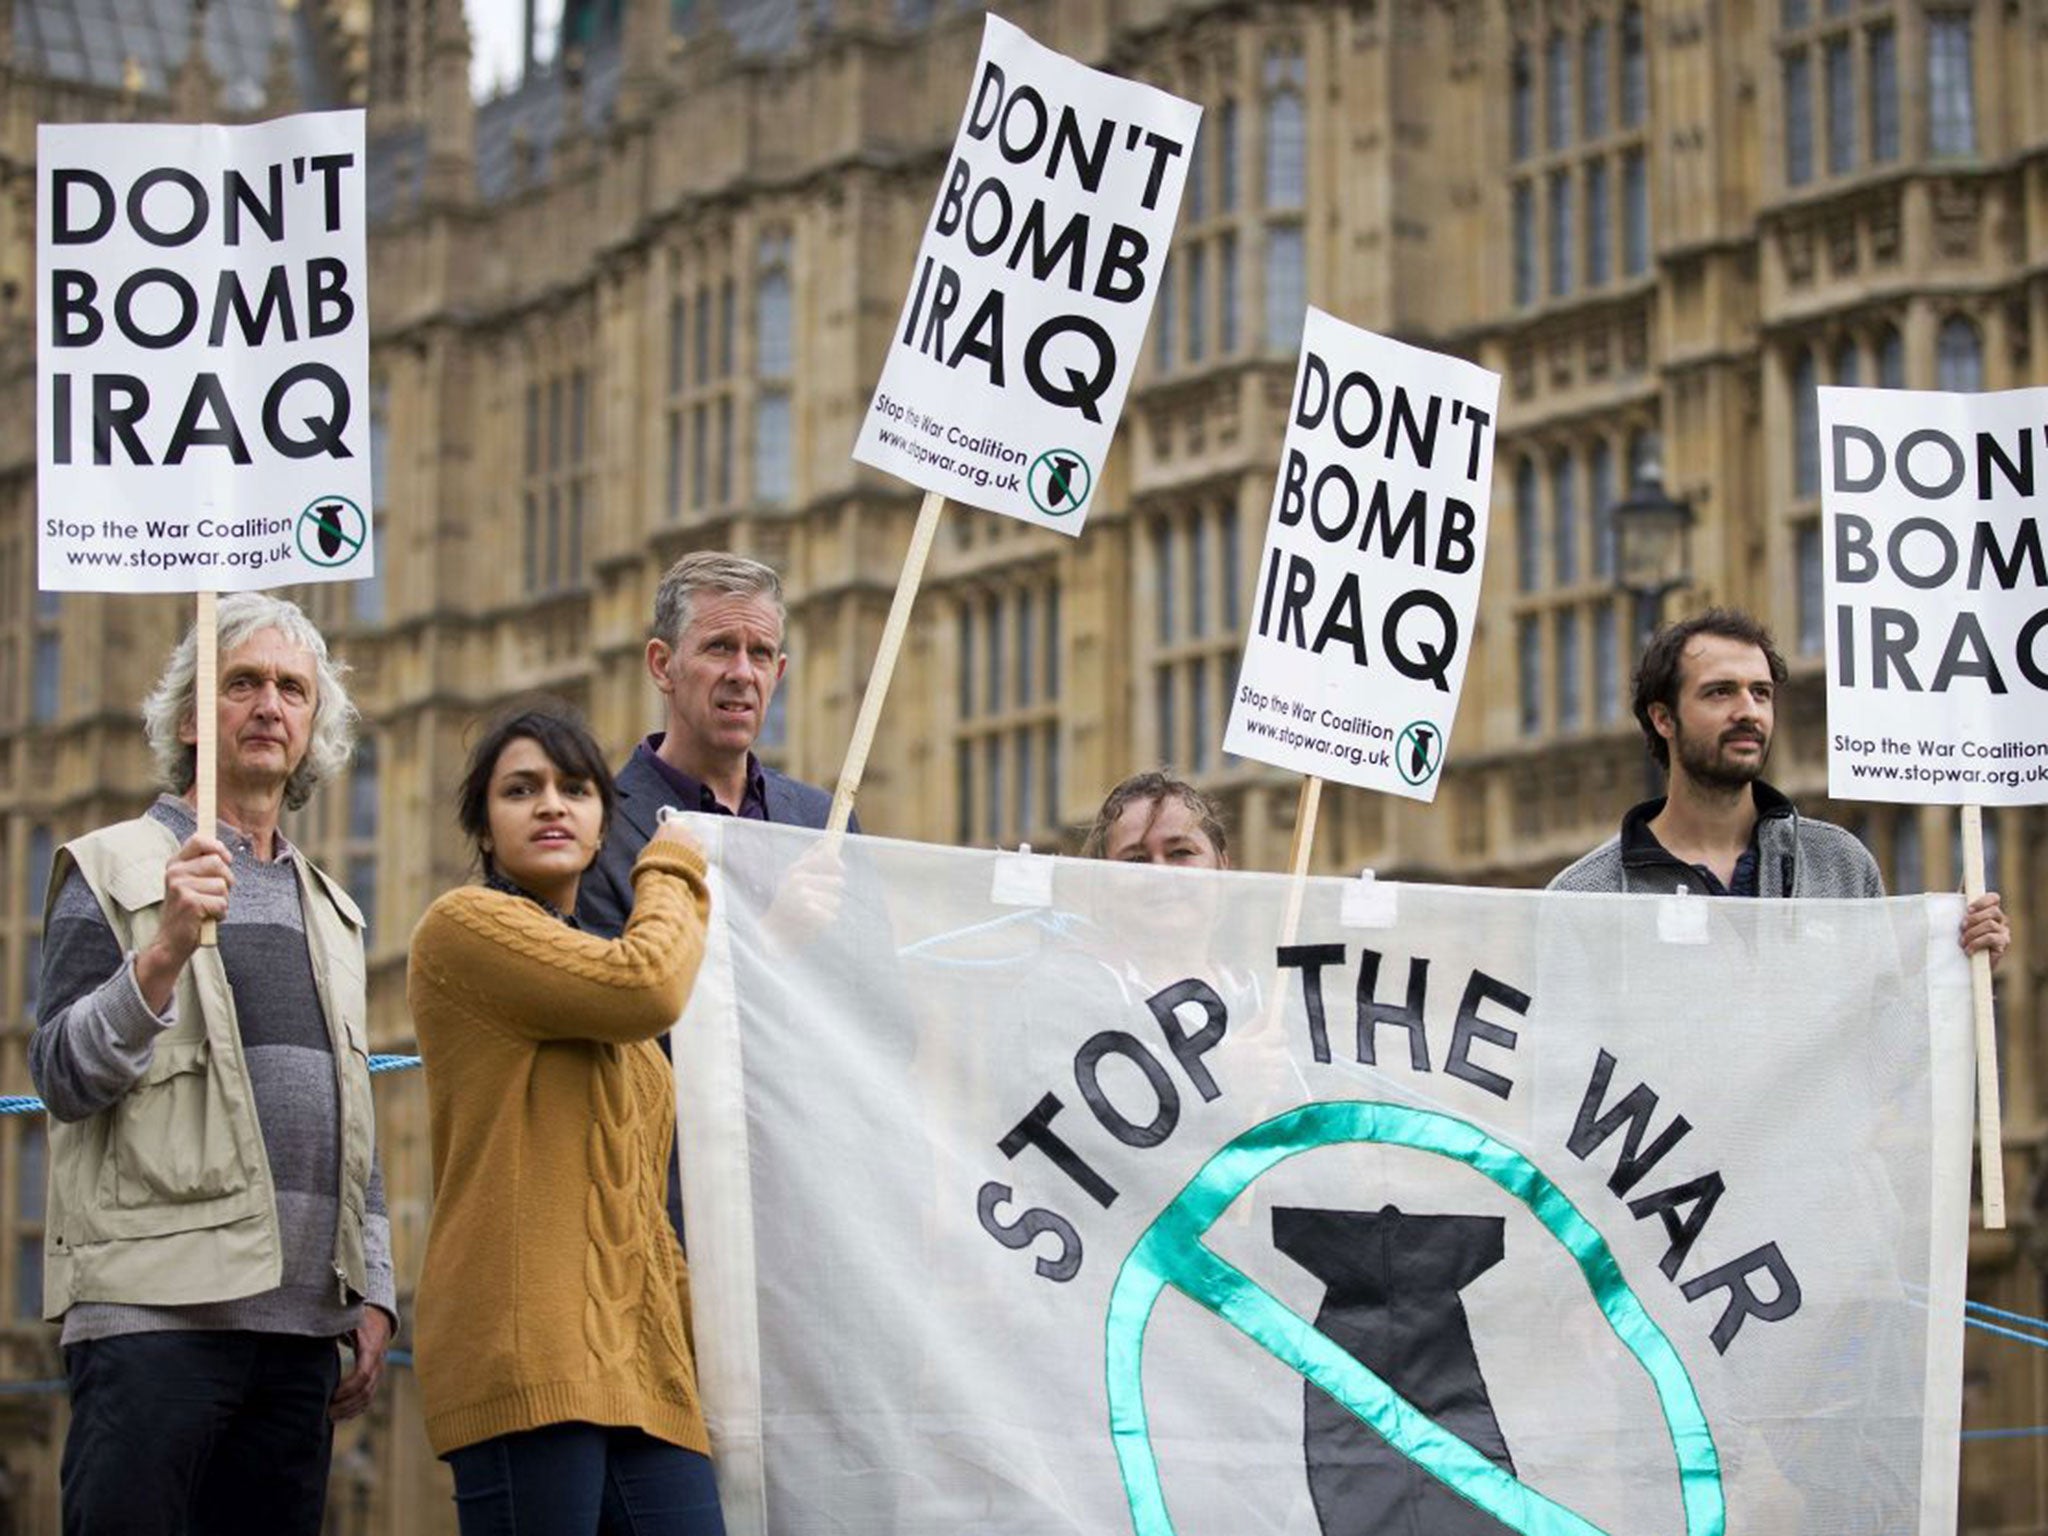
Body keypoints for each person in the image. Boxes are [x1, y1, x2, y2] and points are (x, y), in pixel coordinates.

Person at [30, 592, 396, 1536]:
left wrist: (374, 1289)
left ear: (314, 725)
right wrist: (161, 954)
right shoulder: (110, 866)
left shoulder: (334, 909)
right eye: (241, 684)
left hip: (299, 1337)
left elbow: (354, 1117)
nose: (269, 704)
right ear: (193, 719)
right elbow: (62, 1075)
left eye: (290, 689)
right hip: (156, 1324)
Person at [408, 702, 723, 1535]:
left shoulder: (601, 999)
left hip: (644, 1371)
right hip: (527, 1352)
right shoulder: (466, 928)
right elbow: (649, 984)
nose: (551, 804)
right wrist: (672, 870)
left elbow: (643, 1219)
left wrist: (704, 1348)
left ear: (598, 822)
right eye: (521, 790)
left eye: (575, 789)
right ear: (483, 825)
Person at [1549, 608, 2010, 963]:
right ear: (1663, 718)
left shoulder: (1841, 867)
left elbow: (1883, 1031)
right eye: (1720, 692)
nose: (1748, 710)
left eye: (1761, 692)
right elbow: (1566, 1064)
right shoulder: (1587, 896)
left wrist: (1958, 966)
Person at [577, 550, 845, 937]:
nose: (742, 673)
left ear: (778, 673)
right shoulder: (597, 835)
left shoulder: (825, 823)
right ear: (661, 665)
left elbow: (869, 988)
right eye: (719, 647)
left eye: (760, 654)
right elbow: (621, 994)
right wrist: (773, 936)